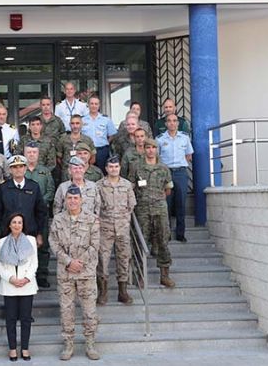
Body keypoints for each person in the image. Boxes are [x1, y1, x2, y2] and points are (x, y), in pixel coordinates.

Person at [49, 185, 101, 361]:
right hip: (65, 273)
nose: (72, 201)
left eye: (75, 198)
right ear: (65, 200)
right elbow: (53, 243)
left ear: (81, 200)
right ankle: (68, 343)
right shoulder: (58, 219)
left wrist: (80, 262)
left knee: (89, 310)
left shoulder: (92, 219)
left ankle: (90, 342)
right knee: (66, 310)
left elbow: (95, 245)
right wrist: (68, 261)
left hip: (86, 273)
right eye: (69, 198)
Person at [0, 156, 48, 288]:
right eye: (15, 167)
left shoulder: (34, 186)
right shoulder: (4, 188)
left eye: (21, 166)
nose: (18, 169)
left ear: (25, 168)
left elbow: (41, 212)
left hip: (29, 233)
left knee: (27, 267)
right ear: (10, 169)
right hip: (8, 234)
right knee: (10, 270)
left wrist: (39, 234)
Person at [128, 138, 175, 288]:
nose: (150, 150)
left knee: (163, 240)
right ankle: (140, 275)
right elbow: (131, 187)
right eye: (147, 147)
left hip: (160, 208)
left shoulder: (163, 168)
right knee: (142, 241)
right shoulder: (136, 167)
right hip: (142, 208)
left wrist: (156, 198)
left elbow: (168, 189)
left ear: (157, 150)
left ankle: (164, 275)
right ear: (144, 149)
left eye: (153, 148)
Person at [0, 213, 38, 362]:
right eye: (14, 222)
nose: (17, 225)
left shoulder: (31, 241)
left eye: (20, 222)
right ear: (9, 224)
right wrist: (11, 279)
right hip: (9, 285)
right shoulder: (2, 242)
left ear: (23, 225)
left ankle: (25, 348)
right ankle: (12, 349)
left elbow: (34, 263)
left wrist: (26, 278)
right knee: (11, 319)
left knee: (26, 319)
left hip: (27, 285)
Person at [95, 156, 136, 305]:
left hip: (122, 229)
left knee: (124, 259)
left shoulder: (126, 185)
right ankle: (103, 292)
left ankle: (122, 291)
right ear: (106, 169)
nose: (114, 169)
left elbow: (131, 205)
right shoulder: (98, 185)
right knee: (102, 261)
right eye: (111, 167)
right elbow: (95, 206)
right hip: (104, 229)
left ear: (119, 168)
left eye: (116, 167)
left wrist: (123, 219)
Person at [156, 114, 194, 243]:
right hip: (166, 174)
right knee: (166, 203)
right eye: (169, 121)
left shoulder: (184, 138)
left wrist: (179, 164)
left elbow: (189, 155)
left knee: (180, 203)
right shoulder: (160, 139)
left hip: (180, 173)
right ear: (166, 124)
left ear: (178, 123)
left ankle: (180, 233)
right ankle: (166, 233)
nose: (172, 123)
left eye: (174, 121)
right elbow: (156, 157)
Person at [23, 141, 55, 289]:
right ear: (25, 153)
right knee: (25, 245)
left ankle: (42, 275)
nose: (31, 155)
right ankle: (26, 273)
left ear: (38, 154)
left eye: (34, 152)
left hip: (41, 213)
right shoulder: (20, 170)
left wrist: (40, 203)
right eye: (29, 152)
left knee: (43, 245)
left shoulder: (44, 171)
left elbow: (50, 190)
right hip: (23, 214)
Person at [81, 95, 117, 172]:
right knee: (87, 172)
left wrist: (104, 142)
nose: (94, 106)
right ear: (88, 105)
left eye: (96, 104)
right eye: (92, 103)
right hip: (87, 151)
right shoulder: (82, 120)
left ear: (99, 105)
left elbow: (112, 135)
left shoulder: (106, 120)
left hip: (102, 151)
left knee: (103, 172)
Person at [56, 115, 95, 181]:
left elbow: (93, 158)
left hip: (83, 173)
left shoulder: (87, 140)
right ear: (69, 125)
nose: (75, 126)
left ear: (81, 124)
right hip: (67, 174)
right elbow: (59, 158)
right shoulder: (63, 140)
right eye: (72, 123)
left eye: (77, 123)